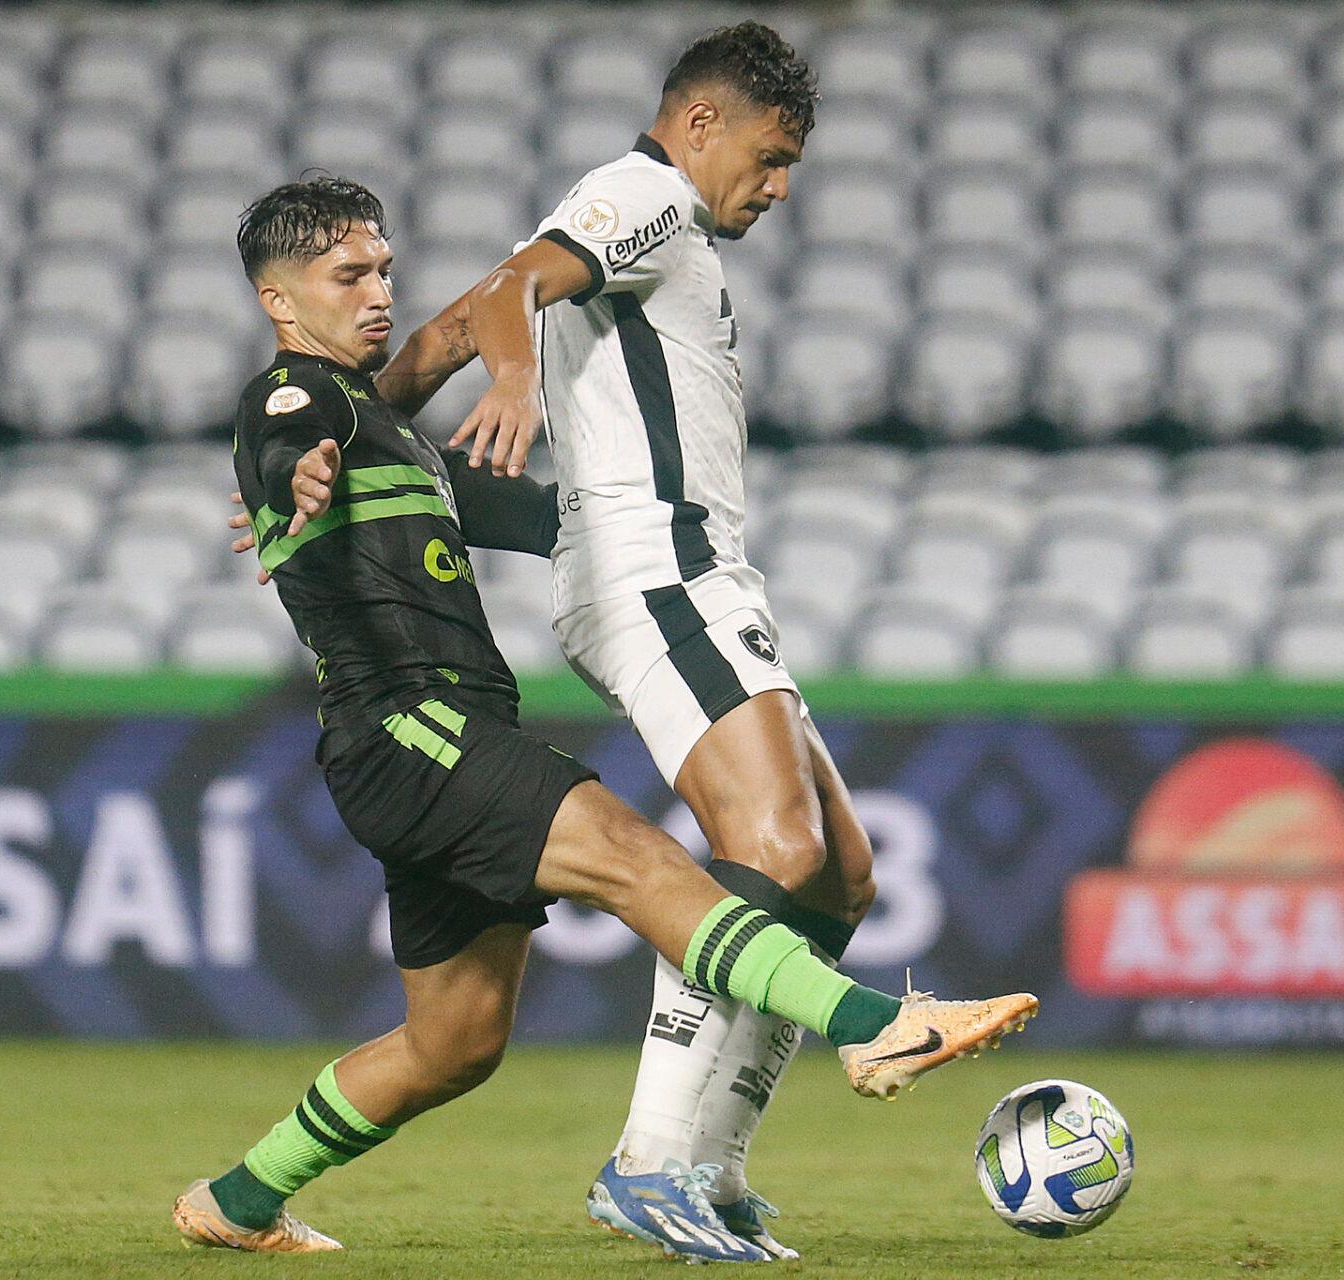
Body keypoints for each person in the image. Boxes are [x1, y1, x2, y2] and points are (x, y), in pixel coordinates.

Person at [176, 176, 1036, 1259]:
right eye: (349, 274)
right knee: (640, 860)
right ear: (279, 300)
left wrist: (649, 517)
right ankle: (876, 1025)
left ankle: (240, 1197)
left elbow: (558, 520)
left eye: (385, 267)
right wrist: (290, 476)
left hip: (417, 744)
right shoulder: (299, 401)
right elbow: (283, 440)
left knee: (456, 1042)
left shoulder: (396, 438)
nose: (379, 290)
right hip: (415, 729)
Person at [370, 21, 880, 1259]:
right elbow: (504, 298)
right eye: (770, 156)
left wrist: (349, 435)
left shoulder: (666, 225)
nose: (781, 185)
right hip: (659, 576)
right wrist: (516, 384)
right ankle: (648, 1160)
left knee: (837, 874)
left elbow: (440, 328)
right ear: (701, 124)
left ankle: (710, 1164)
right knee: (768, 841)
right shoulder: (642, 192)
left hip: (694, 571)